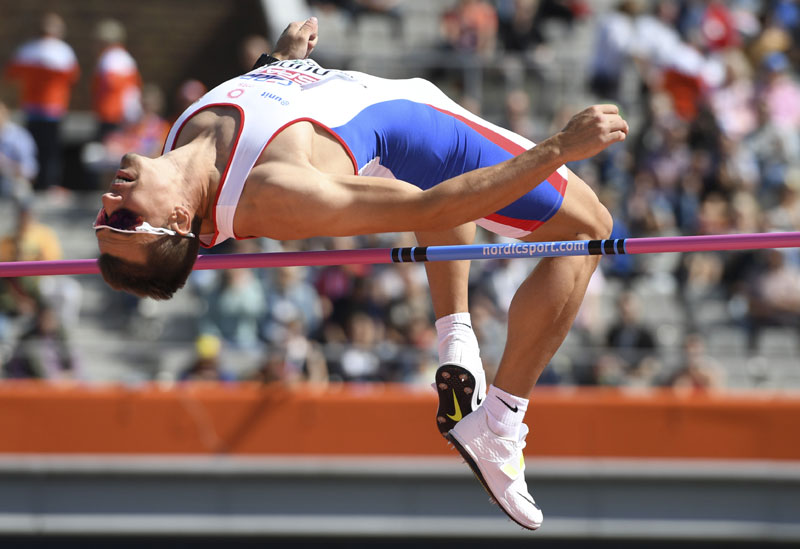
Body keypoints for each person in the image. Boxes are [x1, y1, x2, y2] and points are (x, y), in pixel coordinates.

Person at [93, 18, 627, 530]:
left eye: (102, 219)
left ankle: (458, 343)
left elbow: (262, 110)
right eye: (121, 219)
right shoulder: (272, 194)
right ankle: (502, 420)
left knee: (530, 224)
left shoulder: (180, 140)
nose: (107, 202)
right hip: (425, 134)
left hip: (387, 100)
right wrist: (559, 146)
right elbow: (431, 211)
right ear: (179, 221)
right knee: (589, 228)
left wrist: (276, 61)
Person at [4, 12, 79, 191]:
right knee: (51, 149)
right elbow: (73, 76)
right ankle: (49, 184)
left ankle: (33, 183)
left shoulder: (28, 49)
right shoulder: (63, 51)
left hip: (32, 107)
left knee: (32, 147)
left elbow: (11, 73)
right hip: (53, 108)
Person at [92, 19, 142, 140]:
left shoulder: (111, 58)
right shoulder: (124, 57)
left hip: (112, 114)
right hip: (124, 113)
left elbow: (110, 84)